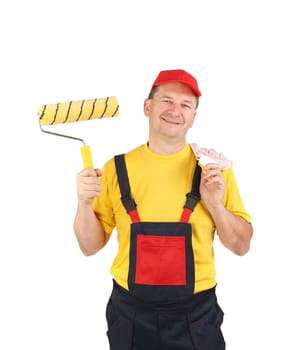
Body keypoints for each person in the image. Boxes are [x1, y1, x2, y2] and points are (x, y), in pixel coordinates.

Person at [73, 69, 253, 350]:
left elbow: (241, 246)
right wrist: (84, 203)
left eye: (186, 105)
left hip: (196, 317)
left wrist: (216, 205)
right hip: (130, 316)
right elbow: (89, 246)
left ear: (194, 116)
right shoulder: (115, 169)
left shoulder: (212, 171)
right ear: (148, 107)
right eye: (166, 100)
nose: (175, 111)